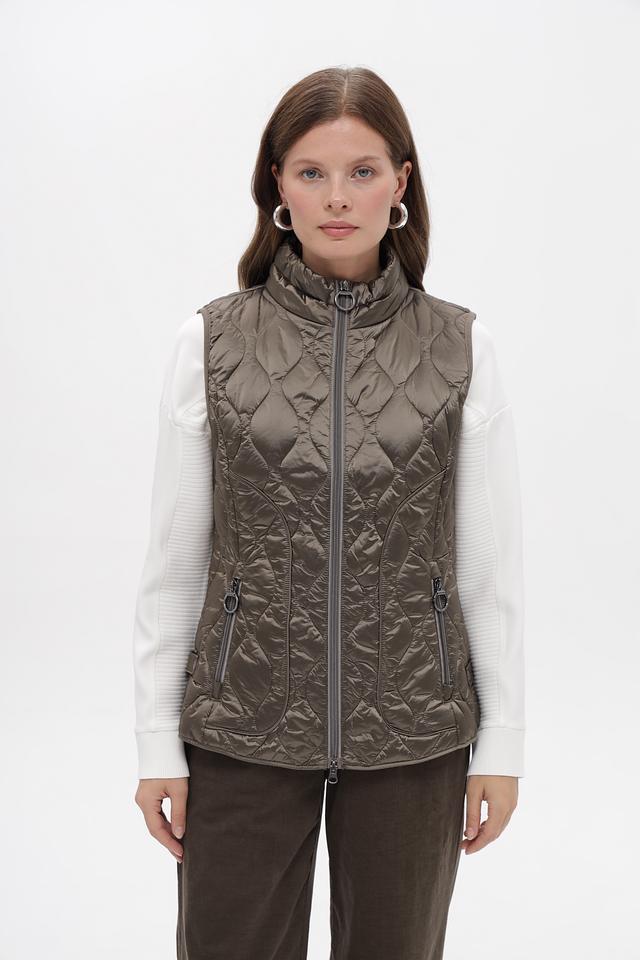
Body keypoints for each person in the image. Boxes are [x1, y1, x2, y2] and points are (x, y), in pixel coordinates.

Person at [132, 65, 525, 960]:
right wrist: (157, 743)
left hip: (416, 729)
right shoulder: (211, 343)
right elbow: (175, 563)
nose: (337, 197)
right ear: (277, 183)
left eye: (362, 171)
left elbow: (487, 568)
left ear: (401, 182)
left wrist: (501, 744)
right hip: (241, 722)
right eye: (311, 172)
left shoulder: (462, 347)